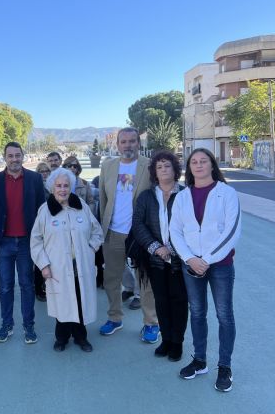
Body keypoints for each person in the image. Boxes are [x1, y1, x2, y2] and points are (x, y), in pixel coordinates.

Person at [170, 148, 241, 392]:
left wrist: (207, 259)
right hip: (191, 265)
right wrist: (190, 258)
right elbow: (175, 232)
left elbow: (231, 232)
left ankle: (225, 366)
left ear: (212, 165)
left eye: (204, 161)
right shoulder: (181, 197)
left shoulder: (227, 194)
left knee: (224, 315)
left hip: (220, 266)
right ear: (189, 168)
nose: (199, 165)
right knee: (197, 313)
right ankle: (200, 361)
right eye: (194, 162)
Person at [30, 168, 103, 352]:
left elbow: (97, 231)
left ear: (71, 187)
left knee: (79, 300)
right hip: (58, 268)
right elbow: (36, 240)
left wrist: (90, 248)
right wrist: (43, 265)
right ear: (52, 187)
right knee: (62, 302)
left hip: (81, 265)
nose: (62, 189)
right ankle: (61, 338)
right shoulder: (45, 210)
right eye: (59, 186)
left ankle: (81, 337)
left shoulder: (82, 207)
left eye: (66, 186)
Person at [98, 127, 159, 342]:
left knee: (145, 281)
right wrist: (103, 229)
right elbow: (103, 201)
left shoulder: (150, 167)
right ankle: (115, 318)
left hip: (141, 234)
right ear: (117, 144)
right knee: (111, 279)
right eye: (123, 142)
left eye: (132, 141)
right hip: (113, 233)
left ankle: (151, 323)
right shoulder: (107, 166)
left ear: (138, 143)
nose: (128, 145)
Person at [0, 142, 45, 344]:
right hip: (4, 243)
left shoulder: (35, 179)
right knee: (5, 287)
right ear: (4, 158)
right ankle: (7, 325)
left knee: (27, 285)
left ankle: (29, 327)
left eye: (17, 155)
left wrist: (40, 239)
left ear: (23, 156)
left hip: (27, 243)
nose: (14, 159)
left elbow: (41, 210)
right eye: (10, 156)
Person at [132, 151, 187, 362]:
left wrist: (172, 249)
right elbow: (138, 224)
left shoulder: (184, 195)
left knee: (179, 302)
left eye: (167, 166)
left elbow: (190, 227)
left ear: (175, 169)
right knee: (161, 302)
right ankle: (166, 340)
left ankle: (177, 342)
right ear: (154, 172)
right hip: (155, 260)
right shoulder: (147, 196)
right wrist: (156, 247)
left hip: (179, 261)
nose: (164, 170)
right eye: (159, 167)